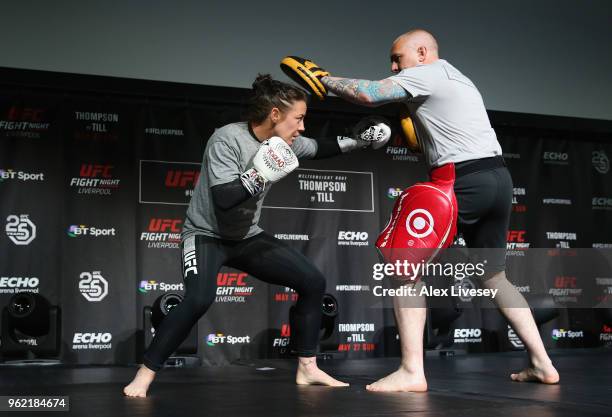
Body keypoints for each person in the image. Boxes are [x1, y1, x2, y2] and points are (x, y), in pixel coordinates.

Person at [284, 29, 560, 392]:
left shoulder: (427, 74)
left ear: (422, 52)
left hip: (459, 181)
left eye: (398, 58)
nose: (393, 66)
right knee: (494, 277)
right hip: (496, 177)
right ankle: (542, 363)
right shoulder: (456, 78)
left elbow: (369, 94)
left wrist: (324, 79)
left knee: (403, 268)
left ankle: (413, 371)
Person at [123, 74, 391, 397]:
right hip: (206, 235)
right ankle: (146, 373)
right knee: (198, 298)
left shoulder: (287, 141)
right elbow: (223, 200)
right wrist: (261, 172)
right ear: (275, 114)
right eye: (299, 118)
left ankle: (307, 368)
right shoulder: (227, 140)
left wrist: (357, 141)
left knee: (313, 282)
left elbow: (320, 148)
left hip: (247, 237)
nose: (302, 127)